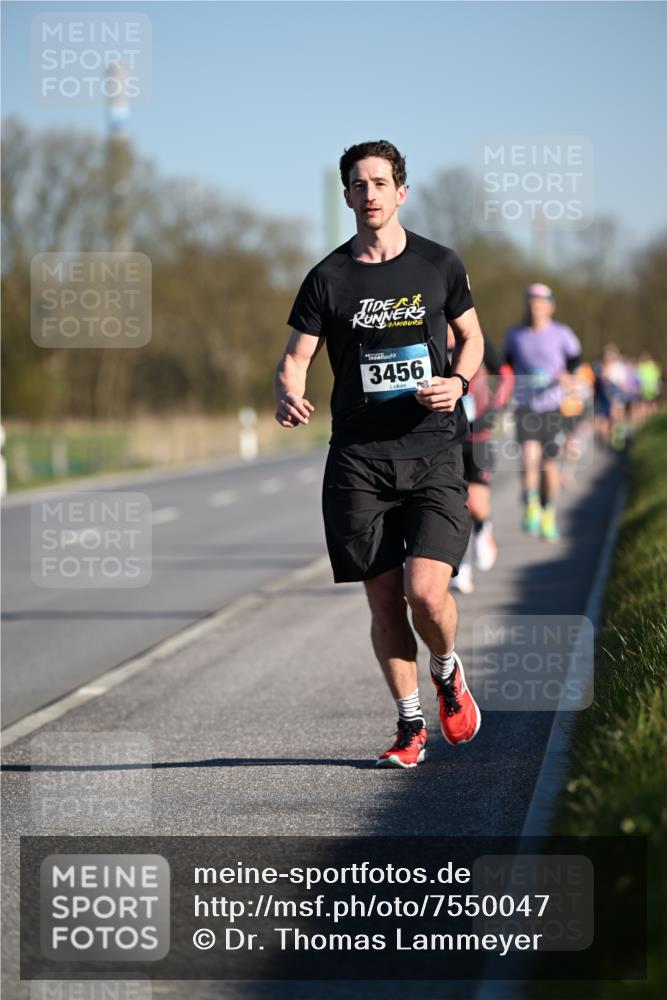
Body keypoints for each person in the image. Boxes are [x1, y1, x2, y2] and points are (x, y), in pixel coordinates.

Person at [274, 140, 484, 768]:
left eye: (380, 183)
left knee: (426, 594)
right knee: (383, 599)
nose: (369, 194)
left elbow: (471, 338)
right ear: (346, 196)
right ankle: (410, 723)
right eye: (358, 185)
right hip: (360, 461)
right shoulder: (328, 278)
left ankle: (446, 670)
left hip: (433, 449)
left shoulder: (438, 264)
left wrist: (460, 381)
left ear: (401, 192)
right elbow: (295, 359)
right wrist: (289, 393)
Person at [503, 283, 582, 542]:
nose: (535, 309)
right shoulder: (515, 335)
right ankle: (531, 505)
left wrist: (568, 379)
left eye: (540, 304)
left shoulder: (562, 334)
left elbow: (575, 365)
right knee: (528, 458)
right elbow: (506, 368)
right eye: (531, 304)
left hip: (553, 407)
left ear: (550, 306)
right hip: (525, 407)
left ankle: (548, 511)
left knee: (549, 465)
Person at [449, 329, 514, 594]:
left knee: (476, 505)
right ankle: (461, 569)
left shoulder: (477, 337)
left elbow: (506, 376)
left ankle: (483, 527)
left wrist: (494, 409)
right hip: (447, 436)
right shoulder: (428, 331)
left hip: (479, 436)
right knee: (455, 508)